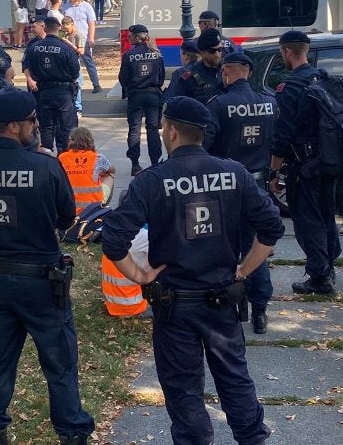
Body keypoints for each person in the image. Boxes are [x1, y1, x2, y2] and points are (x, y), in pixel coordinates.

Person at [102, 96, 284, 445]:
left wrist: (139, 276)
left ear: (170, 131)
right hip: (222, 298)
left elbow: (113, 240)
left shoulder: (152, 180)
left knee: (183, 391)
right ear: (202, 133)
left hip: (175, 304)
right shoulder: (235, 173)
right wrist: (244, 269)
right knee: (235, 379)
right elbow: (272, 227)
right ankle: (253, 439)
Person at [0, 90, 95, 445]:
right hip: (42, 281)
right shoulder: (45, 166)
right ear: (14, 125)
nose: (36, 125)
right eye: (32, 120)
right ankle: (72, 433)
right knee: (60, 363)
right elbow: (67, 217)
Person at [203, 52, 278, 333]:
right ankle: (260, 311)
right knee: (254, 249)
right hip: (256, 184)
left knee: (220, 246)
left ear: (227, 72)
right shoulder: (269, 102)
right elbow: (277, 141)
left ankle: (225, 305)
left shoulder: (219, 105)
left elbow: (205, 146)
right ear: (248, 72)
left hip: (223, 186)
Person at [268, 30, 342, 295]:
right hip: (330, 160)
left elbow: (282, 135)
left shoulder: (290, 87)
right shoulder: (324, 79)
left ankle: (320, 277)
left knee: (307, 220)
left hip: (305, 164)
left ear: (287, 51)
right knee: (326, 215)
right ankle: (328, 264)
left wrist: (274, 172)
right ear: (306, 50)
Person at [23, 16, 80, 152]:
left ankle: (47, 153)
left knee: (46, 125)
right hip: (64, 91)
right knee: (66, 126)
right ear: (58, 28)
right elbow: (75, 72)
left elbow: (30, 67)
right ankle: (64, 154)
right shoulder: (65, 47)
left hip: (44, 91)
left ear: (45, 28)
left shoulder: (34, 47)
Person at [118, 24, 165, 176]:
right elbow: (162, 76)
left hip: (135, 95)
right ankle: (155, 162)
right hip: (153, 94)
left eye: (130, 36)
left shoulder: (129, 55)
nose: (128, 38)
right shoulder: (156, 53)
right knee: (152, 130)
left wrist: (129, 87)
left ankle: (135, 164)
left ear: (137, 37)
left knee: (134, 129)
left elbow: (123, 78)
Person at [57, 126, 114, 214]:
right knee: (109, 175)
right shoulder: (97, 158)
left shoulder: (61, 158)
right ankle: (103, 206)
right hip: (92, 210)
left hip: (68, 210)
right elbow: (112, 169)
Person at [166, 28, 224, 103]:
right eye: (212, 51)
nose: (217, 54)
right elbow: (172, 103)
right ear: (201, 51)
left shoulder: (228, 71)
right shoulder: (189, 76)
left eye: (219, 49)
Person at [62, 0, 102, 94]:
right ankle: (75, 84)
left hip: (83, 38)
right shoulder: (66, 7)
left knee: (88, 61)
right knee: (72, 63)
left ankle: (96, 84)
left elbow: (91, 23)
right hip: (70, 40)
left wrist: (91, 38)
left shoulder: (86, 6)